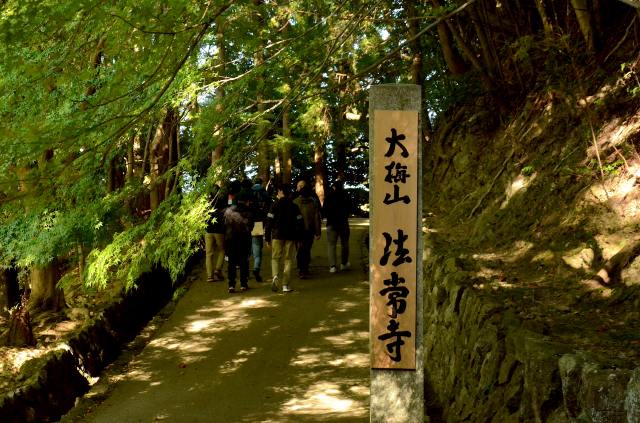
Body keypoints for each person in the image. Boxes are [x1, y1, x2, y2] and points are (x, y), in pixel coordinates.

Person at [265, 183, 304, 293]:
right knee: (288, 260)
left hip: (277, 235)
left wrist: (267, 237)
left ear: (281, 192)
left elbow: (269, 222)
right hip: (290, 236)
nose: (277, 193)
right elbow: (300, 222)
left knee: (275, 258)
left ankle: (275, 276)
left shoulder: (274, 205)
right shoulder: (294, 206)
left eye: (278, 191)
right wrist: (300, 238)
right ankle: (285, 285)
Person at [223, 190, 254, 293]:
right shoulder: (248, 212)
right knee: (243, 262)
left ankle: (231, 285)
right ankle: (243, 284)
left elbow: (225, 226)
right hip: (244, 240)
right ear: (246, 201)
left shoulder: (228, 212)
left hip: (230, 240)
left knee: (231, 263)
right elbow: (251, 227)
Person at [323, 179, 351, 273]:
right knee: (345, 244)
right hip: (343, 223)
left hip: (331, 223)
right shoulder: (346, 196)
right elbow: (350, 209)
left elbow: (324, 211)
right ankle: (344, 263)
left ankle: (333, 266)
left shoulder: (329, 197)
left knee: (331, 245)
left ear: (334, 187)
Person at [293, 184, 321, 278]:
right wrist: (318, 232)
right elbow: (317, 218)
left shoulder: (295, 202)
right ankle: (305, 269)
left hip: (297, 230)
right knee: (307, 249)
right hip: (310, 230)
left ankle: (301, 269)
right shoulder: (313, 203)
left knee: (300, 249)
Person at [250, 177, 271, 282]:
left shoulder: (249, 192)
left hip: (247, 221)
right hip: (259, 222)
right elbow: (269, 206)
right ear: (261, 183)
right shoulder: (264, 193)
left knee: (249, 246)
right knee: (257, 247)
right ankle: (256, 267)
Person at [205, 185, 226, 282]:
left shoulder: (206, 203)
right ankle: (217, 270)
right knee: (222, 250)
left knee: (209, 254)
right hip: (219, 230)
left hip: (208, 230)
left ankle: (210, 276)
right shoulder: (222, 201)